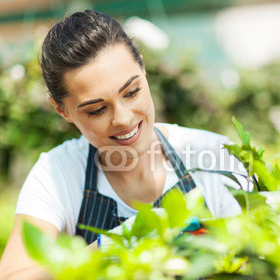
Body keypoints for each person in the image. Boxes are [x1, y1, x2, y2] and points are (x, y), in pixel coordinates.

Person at [0, 9, 246, 280]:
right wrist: (117, 243)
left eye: (132, 92)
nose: (124, 118)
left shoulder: (213, 155)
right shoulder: (57, 174)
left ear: (142, 66)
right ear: (62, 111)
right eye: (96, 110)